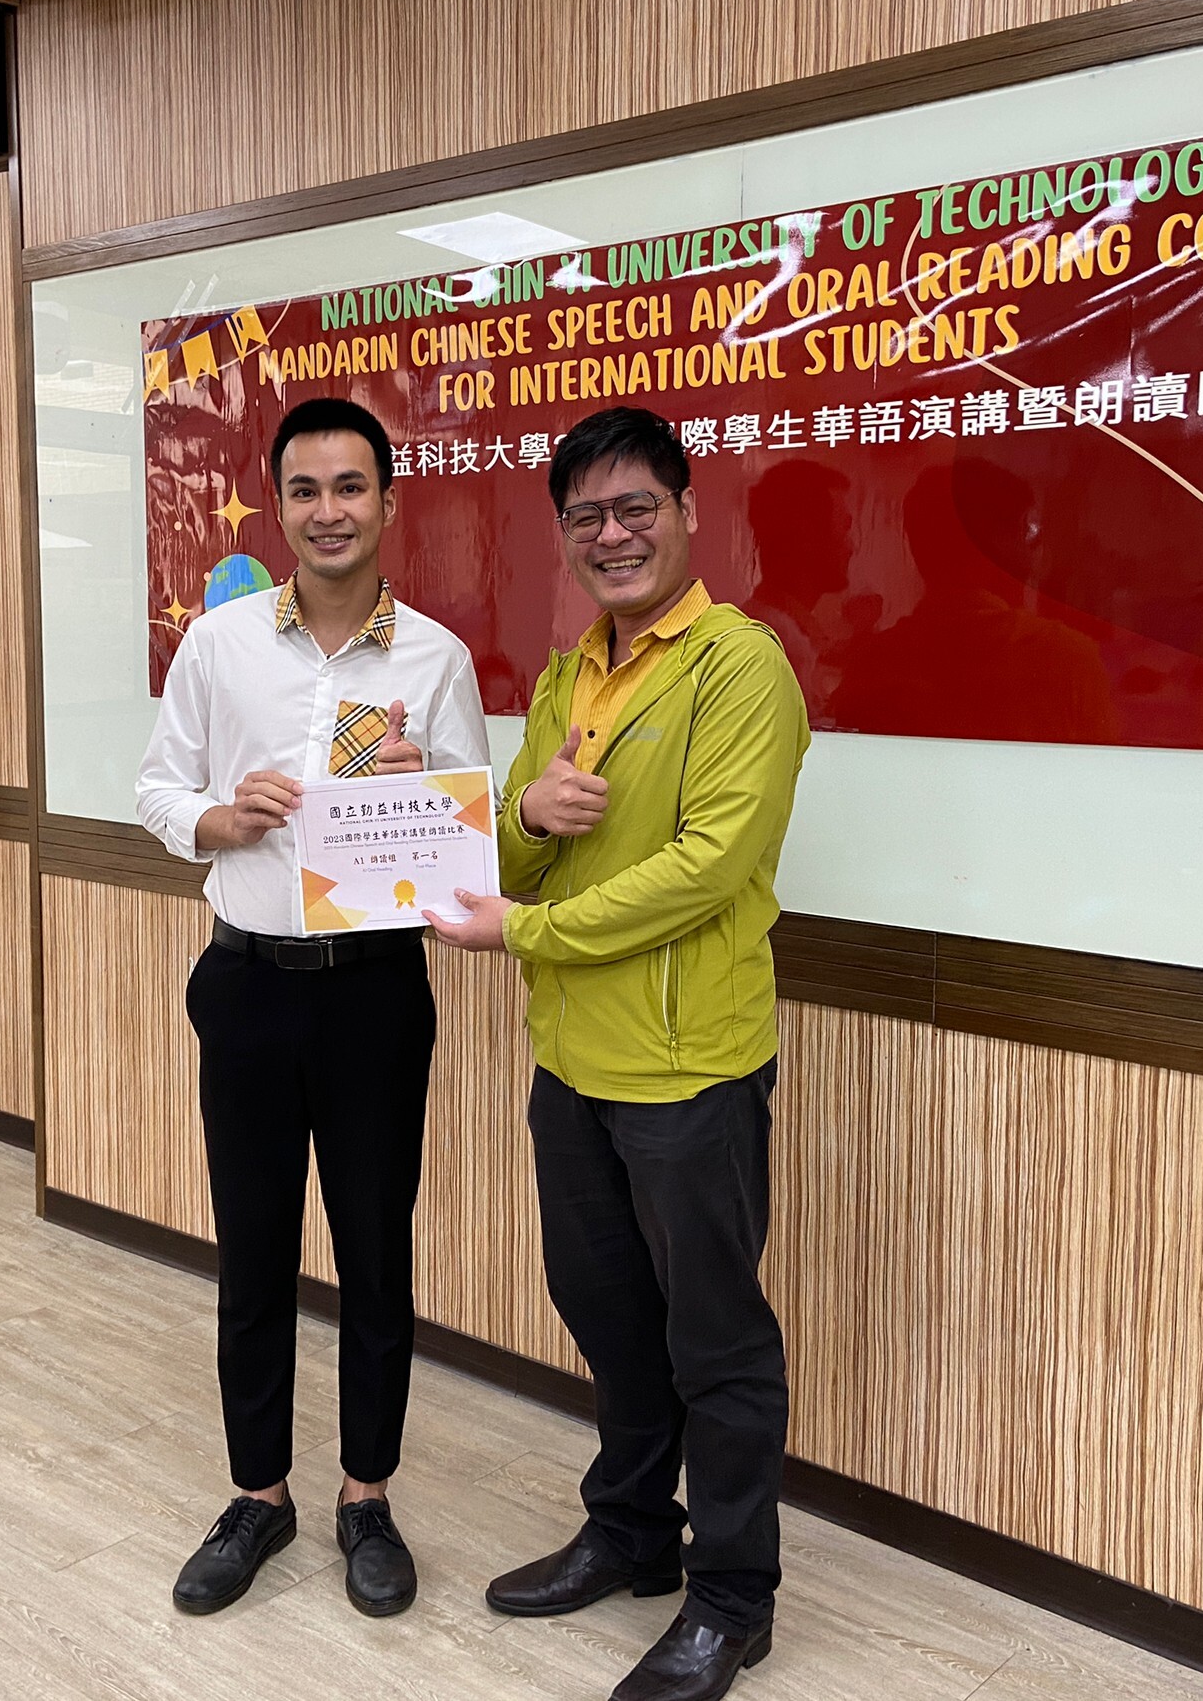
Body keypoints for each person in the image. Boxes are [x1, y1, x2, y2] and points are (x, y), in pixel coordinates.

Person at [427, 406, 810, 1701]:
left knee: (717, 1340)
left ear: (689, 512)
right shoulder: (564, 672)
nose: (613, 533)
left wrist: (526, 919)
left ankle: (731, 1595)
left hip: (693, 1068)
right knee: (607, 1315)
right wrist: (528, 811)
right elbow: (516, 853)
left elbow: (708, 872)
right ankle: (634, 1529)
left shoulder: (739, 667)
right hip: (573, 1062)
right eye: (587, 515)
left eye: (636, 505)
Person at [137, 396, 488, 1620]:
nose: (328, 510)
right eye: (305, 489)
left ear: (390, 502)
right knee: (255, 1252)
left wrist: (428, 807)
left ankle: (367, 1495)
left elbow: (463, 855)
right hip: (244, 984)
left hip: (377, 993)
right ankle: (259, 1496)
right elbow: (157, 785)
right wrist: (216, 821)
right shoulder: (219, 643)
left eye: (352, 487)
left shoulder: (435, 659)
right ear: (278, 505)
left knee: (376, 1251)